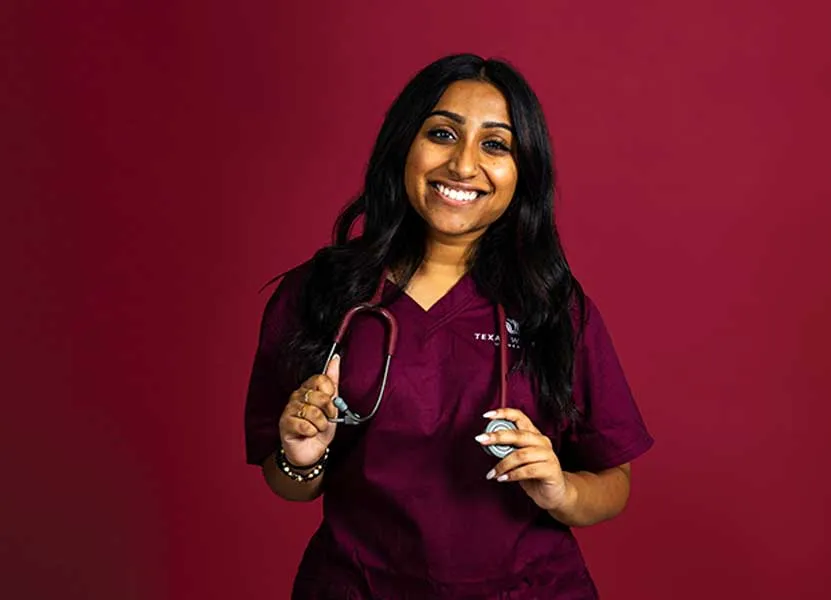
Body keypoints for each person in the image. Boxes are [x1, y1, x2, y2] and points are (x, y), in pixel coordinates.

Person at [244, 53, 654, 599]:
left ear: (522, 172)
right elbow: (287, 483)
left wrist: (559, 491)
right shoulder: (320, 293)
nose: (463, 166)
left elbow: (613, 483)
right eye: (442, 133)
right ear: (403, 146)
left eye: (495, 144)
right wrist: (301, 459)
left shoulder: (553, 308)